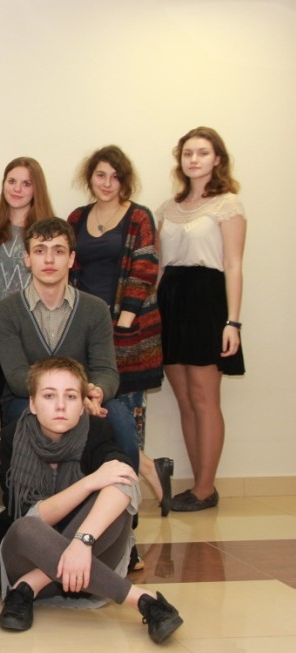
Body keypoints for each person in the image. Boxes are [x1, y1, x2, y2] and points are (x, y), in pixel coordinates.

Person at [0, 357, 183, 644]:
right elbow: (31, 515)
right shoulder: (13, 437)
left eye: (71, 396)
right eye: (49, 396)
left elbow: (123, 478)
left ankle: (29, 586)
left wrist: (81, 543)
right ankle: (142, 600)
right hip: (27, 558)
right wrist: (88, 483)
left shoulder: (96, 430)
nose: (61, 406)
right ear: (32, 403)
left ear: (83, 403)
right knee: (26, 527)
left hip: (88, 570)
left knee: (118, 491)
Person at [0, 217, 141, 492]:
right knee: (22, 414)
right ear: (27, 259)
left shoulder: (95, 309)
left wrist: (92, 393)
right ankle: (26, 505)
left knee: (120, 419)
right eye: (40, 250)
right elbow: (16, 377)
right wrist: (69, 396)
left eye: (58, 251)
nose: (49, 259)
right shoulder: (5, 312)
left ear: (71, 259)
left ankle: (123, 503)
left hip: (85, 396)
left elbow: (106, 371)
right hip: (27, 399)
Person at [68, 145, 171, 517]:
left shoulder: (138, 216)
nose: (107, 183)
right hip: (87, 328)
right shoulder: (77, 217)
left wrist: (123, 322)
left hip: (130, 333)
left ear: (124, 180)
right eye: (100, 175)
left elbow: (145, 268)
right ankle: (146, 470)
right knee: (94, 410)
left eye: (115, 176)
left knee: (126, 414)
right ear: (90, 177)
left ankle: (128, 502)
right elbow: (69, 270)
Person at [156, 127, 245, 512]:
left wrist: (233, 322)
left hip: (207, 301)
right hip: (171, 302)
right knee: (185, 400)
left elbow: (233, 265)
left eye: (203, 153)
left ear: (217, 159)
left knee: (205, 398)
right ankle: (196, 485)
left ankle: (206, 489)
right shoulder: (167, 208)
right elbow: (159, 266)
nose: (194, 159)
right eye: (188, 153)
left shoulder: (228, 205)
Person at [0, 158, 55, 410]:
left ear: (37, 189)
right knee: (5, 407)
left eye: (26, 183)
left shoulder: (49, 234)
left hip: (36, 323)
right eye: (12, 181)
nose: (17, 189)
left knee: (41, 403)